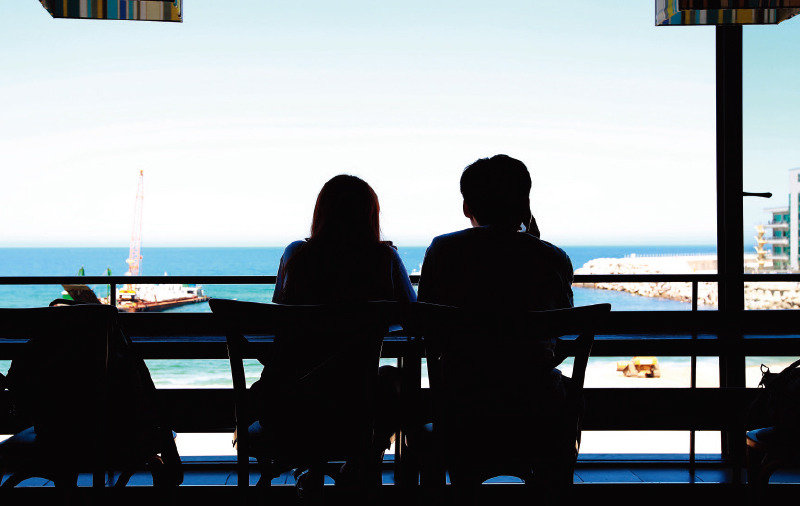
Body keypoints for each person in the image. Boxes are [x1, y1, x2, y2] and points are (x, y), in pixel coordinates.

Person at [258, 174, 415, 489]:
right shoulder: (383, 258)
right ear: (370, 215)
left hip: (285, 409)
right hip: (354, 411)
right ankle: (363, 460)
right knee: (395, 380)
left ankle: (320, 467)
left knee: (323, 384)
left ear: (321, 213)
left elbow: (279, 317)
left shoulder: (297, 254)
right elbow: (413, 316)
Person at [417, 154, 573, 313]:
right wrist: (533, 243)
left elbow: (422, 316)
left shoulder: (441, 250)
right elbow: (564, 320)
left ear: (466, 208)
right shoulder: (554, 258)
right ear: (525, 206)